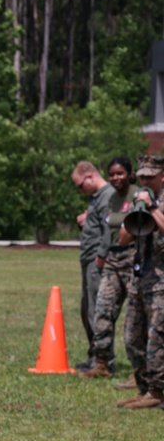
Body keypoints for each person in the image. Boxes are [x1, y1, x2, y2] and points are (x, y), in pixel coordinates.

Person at [116, 154, 164, 410]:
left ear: (161, 177)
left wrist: (153, 208)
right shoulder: (138, 200)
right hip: (140, 278)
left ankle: (157, 391)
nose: (145, 180)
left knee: (157, 337)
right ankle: (143, 388)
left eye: (150, 177)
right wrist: (136, 211)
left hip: (161, 283)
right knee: (132, 337)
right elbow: (123, 240)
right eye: (142, 176)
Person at [85, 158, 137, 383]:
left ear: (129, 174)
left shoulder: (138, 195)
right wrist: (102, 255)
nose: (116, 178)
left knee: (136, 318)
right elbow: (107, 229)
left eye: (120, 173)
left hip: (134, 257)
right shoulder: (111, 199)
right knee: (102, 311)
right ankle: (102, 363)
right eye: (112, 174)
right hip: (113, 260)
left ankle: (141, 371)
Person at [71, 161, 113, 372]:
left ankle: (103, 359)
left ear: (89, 177)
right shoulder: (96, 198)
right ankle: (93, 356)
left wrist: (101, 256)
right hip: (88, 259)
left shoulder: (106, 196)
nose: (80, 191)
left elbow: (109, 229)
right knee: (86, 309)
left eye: (80, 186)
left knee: (96, 310)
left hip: (97, 261)